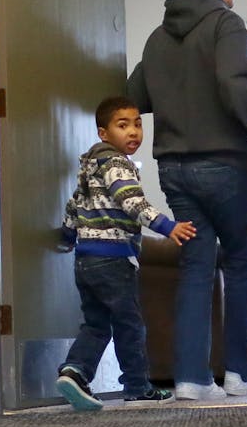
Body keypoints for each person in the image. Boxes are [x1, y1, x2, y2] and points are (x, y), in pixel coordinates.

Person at [127, 0, 247, 401]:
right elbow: (233, 83)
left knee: (195, 268)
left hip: (175, 168)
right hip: (226, 162)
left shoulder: (157, 36)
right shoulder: (226, 23)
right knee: (241, 263)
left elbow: (134, 96)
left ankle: (191, 378)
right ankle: (241, 374)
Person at [55, 96, 196, 411]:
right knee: (130, 324)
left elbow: (73, 206)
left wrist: (65, 237)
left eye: (137, 124)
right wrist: (166, 226)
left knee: (96, 323)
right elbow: (131, 201)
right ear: (104, 133)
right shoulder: (117, 164)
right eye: (123, 125)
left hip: (85, 260)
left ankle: (74, 371)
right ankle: (137, 386)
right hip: (114, 259)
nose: (133, 132)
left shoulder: (89, 168)